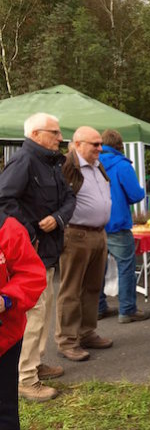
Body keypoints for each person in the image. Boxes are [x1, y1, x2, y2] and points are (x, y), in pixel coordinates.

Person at [0, 112, 76, 402]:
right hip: (32, 254)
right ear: (36, 135)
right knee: (33, 314)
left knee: (42, 314)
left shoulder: (52, 163)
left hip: (49, 250)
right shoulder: (24, 161)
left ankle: (35, 362)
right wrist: (30, 230)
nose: (60, 138)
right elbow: (4, 200)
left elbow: (70, 198)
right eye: (54, 133)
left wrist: (57, 218)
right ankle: (25, 379)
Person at [56, 127, 112, 362]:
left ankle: (87, 332)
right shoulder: (67, 166)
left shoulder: (97, 164)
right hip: (76, 235)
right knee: (71, 290)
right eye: (95, 144)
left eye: (100, 144)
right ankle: (67, 340)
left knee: (92, 287)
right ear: (78, 144)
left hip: (99, 234)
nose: (100, 148)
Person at [0, 213, 47, 428]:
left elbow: (32, 275)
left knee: (5, 410)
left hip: (5, 340)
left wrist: (7, 299)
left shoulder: (8, 228)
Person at [97, 129, 150, 324]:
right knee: (126, 267)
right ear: (120, 145)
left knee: (98, 268)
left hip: (96, 225)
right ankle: (127, 309)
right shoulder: (122, 165)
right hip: (118, 224)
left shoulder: (93, 163)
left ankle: (99, 307)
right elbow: (136, 195)